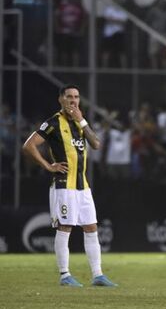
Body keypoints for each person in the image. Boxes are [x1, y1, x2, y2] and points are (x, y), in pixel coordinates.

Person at [22, 85, 117, 287]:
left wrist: (81, 120)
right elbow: (29, 145)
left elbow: (97, 144)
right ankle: (64, 275)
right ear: (61, 100)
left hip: (83, 187)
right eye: (69, 97)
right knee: (65, 228)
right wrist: (48, 165)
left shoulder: (80, 123)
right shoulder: (53, 122)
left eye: (76, 97)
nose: (73, 100)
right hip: (64, 186)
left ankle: (98, 275)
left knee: (91, 228)